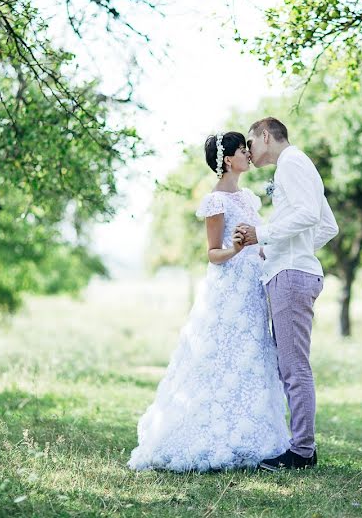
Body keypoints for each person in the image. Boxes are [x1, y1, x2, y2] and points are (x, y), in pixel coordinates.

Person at [128, 132, 290, 472]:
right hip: (228, 289)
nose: (249, 154)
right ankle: (211, 431)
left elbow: (258, 240)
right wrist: (235, 249)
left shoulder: (249, 198)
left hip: (252, 286)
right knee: (220, 357)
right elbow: (213, 253)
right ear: (228, 160)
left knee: (252, 355)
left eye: (248, 149)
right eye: (243, 151)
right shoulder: (216, 202)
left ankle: (254, 435)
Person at [235, 117, 339, 471]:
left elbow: (310, 215)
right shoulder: (300, 163)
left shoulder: (290, 163)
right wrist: (284, 248)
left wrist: (264, 235)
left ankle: (302, 452)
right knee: (291, 365)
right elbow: (328, 225)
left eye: (250, 143)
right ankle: (301, 447)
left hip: (291, 277)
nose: (248, 151)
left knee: (294, 368)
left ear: (266, 135)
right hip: (293, 268)